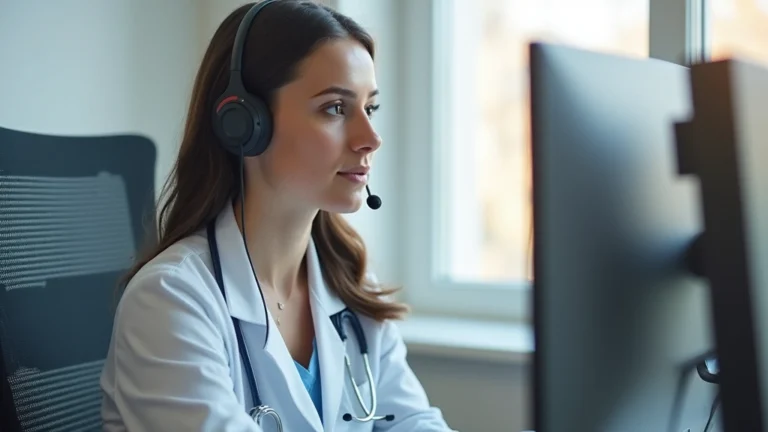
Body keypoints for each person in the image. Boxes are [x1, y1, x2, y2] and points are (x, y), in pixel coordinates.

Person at [99, 1, 454, 431]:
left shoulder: (348, 280)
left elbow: (413, 422)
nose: (370, 138)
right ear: (245, 122)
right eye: (335, 109)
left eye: (370, 108)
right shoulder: (170, 299)